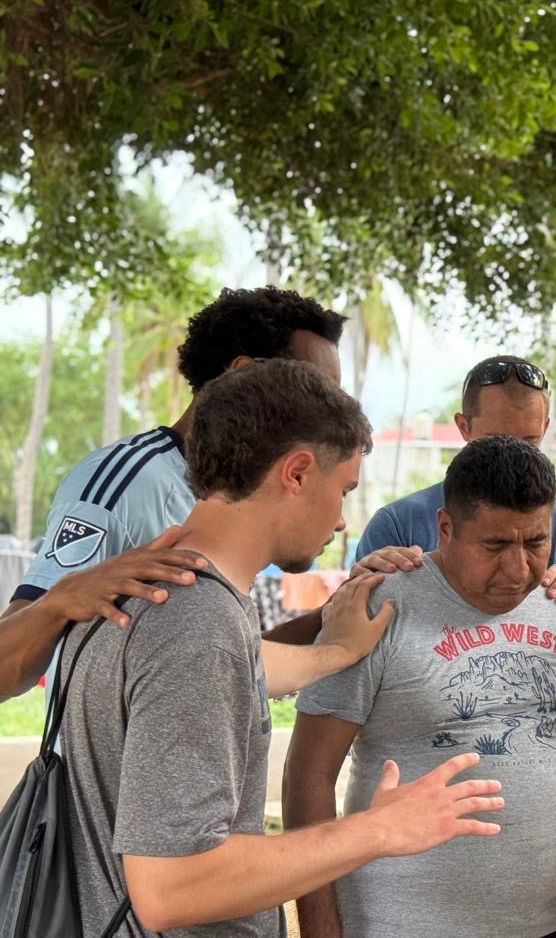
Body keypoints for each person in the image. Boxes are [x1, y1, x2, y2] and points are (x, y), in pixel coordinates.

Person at [59, 359, 505, 937]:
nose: (344, 521)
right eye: (343, 489)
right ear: (296, 473)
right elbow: (172, 886)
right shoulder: (198, 621)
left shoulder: (162, 585)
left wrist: (335, 651)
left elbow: (231, 672)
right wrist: (378, 830)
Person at [284, 435, 556, 938]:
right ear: (445, 528)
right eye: (495, 545)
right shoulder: (378, 609)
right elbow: (308, 778)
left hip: (548, 923)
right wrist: (320, 931)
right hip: (397, 924)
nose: (518, 568)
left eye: (536, 542)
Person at [0, 285, 345, 701]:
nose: (333, 412)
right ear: (241, 375)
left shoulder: (240, 498)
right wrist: (60, 600)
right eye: (317, 390)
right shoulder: (128, 481)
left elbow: (220, 663)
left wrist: (337, 617)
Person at [355, 355, 556, 606]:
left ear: (545, 429)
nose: (511, 454)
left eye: (529, 441)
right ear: (463, 427)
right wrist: (360, 594)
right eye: (495, 439)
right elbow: (357, 638)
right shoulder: (398, 525)